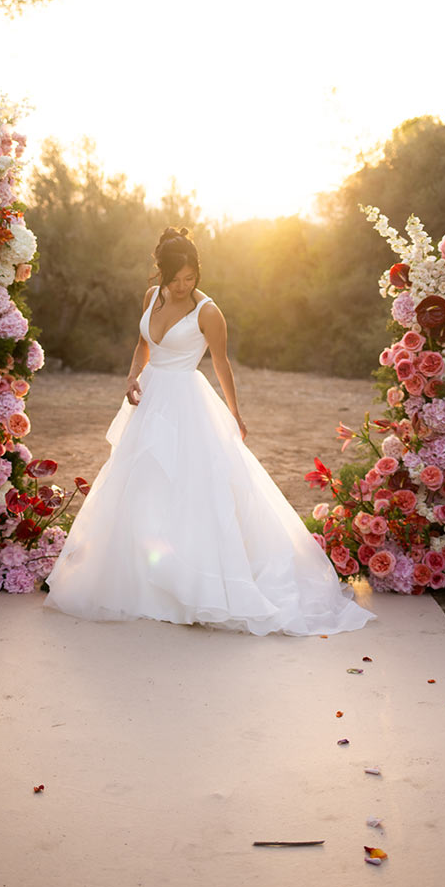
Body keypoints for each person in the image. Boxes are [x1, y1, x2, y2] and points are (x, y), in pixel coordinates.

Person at [43, 227, 375, 635]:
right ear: (160, 275)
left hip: (187, 403)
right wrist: (132, 376)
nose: (183, 286)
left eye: (190, 277)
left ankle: (195, 584)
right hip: (150, 400)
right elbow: (143, 345)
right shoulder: (152, 297)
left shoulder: (208, 312)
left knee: (193, 489)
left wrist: (235, 413)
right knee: (143, 485)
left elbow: (221, 364)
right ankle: (146, 584)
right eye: (175, 279)